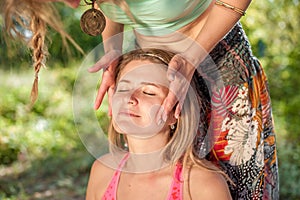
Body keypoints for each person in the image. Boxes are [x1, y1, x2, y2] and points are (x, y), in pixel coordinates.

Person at [86, 0, 279, 199]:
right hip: (152, 65)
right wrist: (112, 48)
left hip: (219, 68)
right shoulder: (102, 172)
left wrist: (191, 58)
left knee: (234, 186)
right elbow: (110, 5)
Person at [86, 48, 232, 200]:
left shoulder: (203, 185)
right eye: (123, 88)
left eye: (149, 92)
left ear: (176, 113)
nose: (129, 98)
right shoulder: (102, 171)